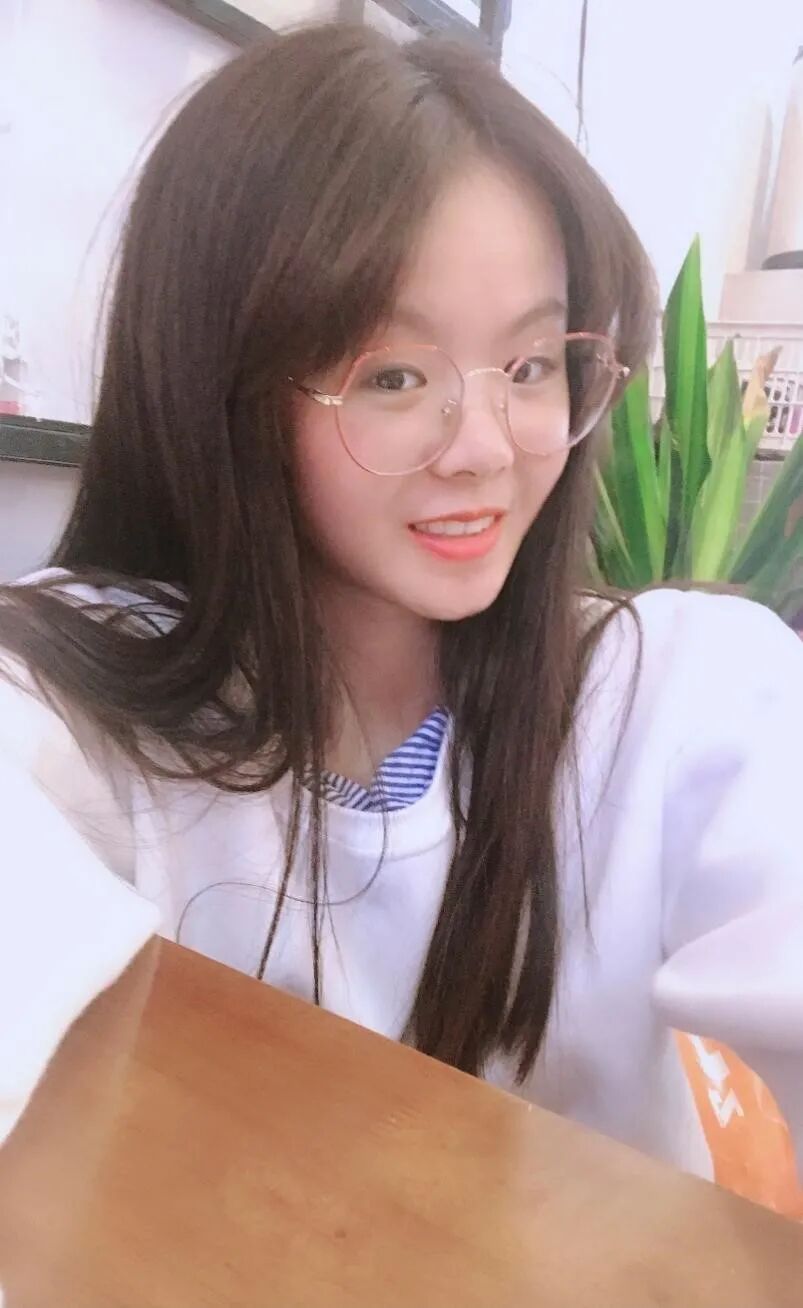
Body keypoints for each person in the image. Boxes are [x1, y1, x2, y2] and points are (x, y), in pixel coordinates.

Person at [0, 22, 801, 1177]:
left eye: (530, 365)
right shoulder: (75, 703)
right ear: (217, 388)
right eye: (391, 375)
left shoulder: (674, 692)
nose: (485, 447)